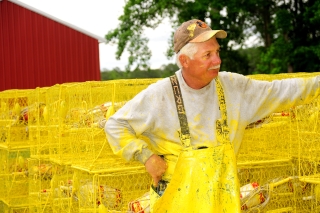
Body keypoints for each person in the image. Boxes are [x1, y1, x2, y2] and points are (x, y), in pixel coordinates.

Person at [105, 19, 320, 212]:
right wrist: (146, 156)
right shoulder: (159, 95)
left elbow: (281, 91)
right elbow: (115, 125)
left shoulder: (234, 87)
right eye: (207, 55)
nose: (217, 60)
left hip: (222, 202)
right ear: (184, 60)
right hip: (176, 204)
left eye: (217, 52)